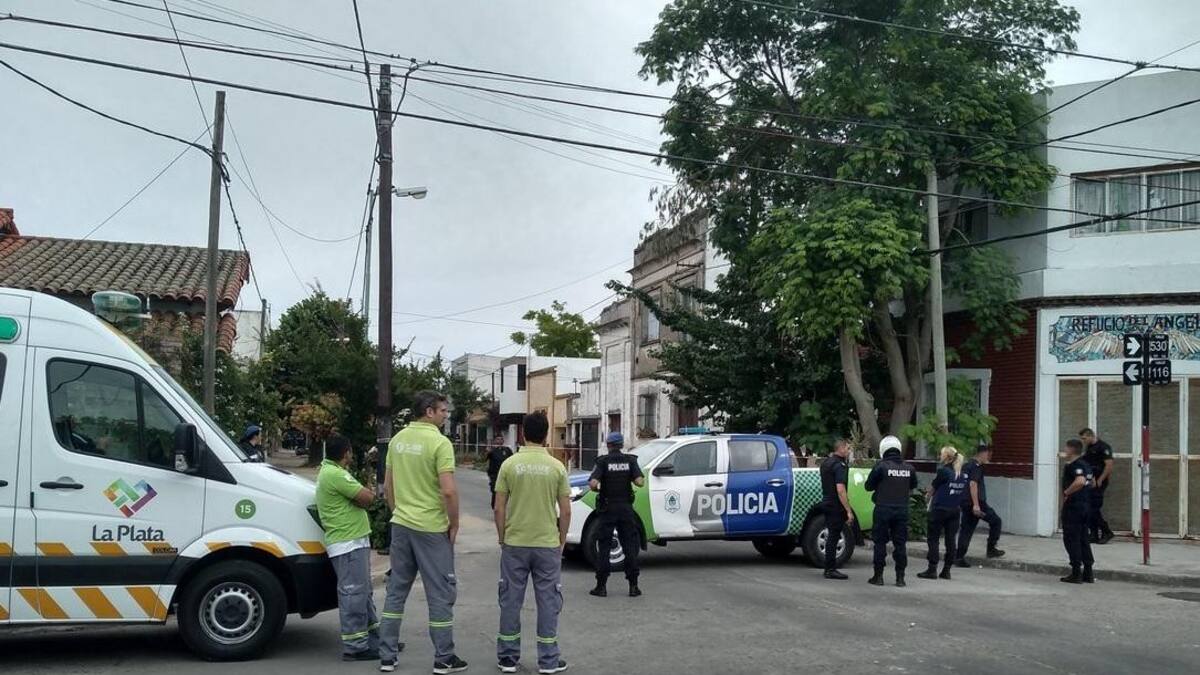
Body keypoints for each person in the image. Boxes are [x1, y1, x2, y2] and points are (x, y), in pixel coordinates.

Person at [379, 391, 467, 674]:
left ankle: (387, 657)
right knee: (440, 593)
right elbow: (449, 490)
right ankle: (444, 657)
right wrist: (454, 523)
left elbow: (388, 486)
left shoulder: (397, 440)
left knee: (396, 591)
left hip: (402, 526)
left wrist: (398, 512)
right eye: (443, 410)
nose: (445, 415)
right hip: (431, 528)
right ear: (429, 411)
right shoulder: (440, 443)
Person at [493, 411, 571, 675]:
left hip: (515, 543)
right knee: (548, 602)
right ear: (547, 434)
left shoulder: (509, 465)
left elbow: (499, 507)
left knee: (510, 600)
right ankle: (548, 661)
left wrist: (503, 537)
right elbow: (566, 510)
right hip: (547, 544)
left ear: (523, 433)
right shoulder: (557, 467)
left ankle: (507, 658)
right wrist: (561, 541)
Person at [316, 435, 379, 661]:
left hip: (352, 541)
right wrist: (364, 493)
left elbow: (360, 498)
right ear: (346, 453)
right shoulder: (336, 474)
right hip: (348, 542)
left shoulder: (331, 472)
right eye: (351, 452)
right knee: (353, 593)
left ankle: (373, 639)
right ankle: (356, 646)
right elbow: (367, 498)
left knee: (363, 593)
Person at [587, 431, 645, 598]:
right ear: (621, 445)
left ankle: (601, 586)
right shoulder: (630, 460)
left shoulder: (603, 461)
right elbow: (640, 482)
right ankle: (633, 586)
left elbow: (592, 484)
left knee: (604, 546)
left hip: (608, 509)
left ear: (609, 445)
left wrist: (598, 488)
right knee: (629, 546)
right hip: (626, 508)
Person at [864, 436, 918, 587]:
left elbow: (868, 486)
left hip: (883, 508)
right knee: (900, 544)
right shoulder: (909, 468)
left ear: (883, 450)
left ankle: (878, 576)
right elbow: (913, 484)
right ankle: (900, 578)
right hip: (902, 510)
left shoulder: (881, 467)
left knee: (880, 543)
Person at [918, 447, 968, 581]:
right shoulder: (962, 475)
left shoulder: (944, 472)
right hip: (955, 510)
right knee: (951, 541)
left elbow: (933, 489)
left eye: (941, 454)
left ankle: (932, 568)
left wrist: (927, 496)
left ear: (947, 457)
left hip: (940, 509)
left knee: (933, 539)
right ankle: (946, 570)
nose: (939, 455)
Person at [954, 445, 1005, 566]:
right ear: (983, 453)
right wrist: (976, 505)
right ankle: (991, 549)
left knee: (966, 529)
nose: (989, 458)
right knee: (996, 521)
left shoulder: (966, 465)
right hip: (977, 503)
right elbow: (973, 484)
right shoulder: (977, 467)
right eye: (988, 455)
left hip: (966, 502)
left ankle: (959, 556)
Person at [1060, 438, 1096, 584]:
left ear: (1071, 449)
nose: (1064, 450)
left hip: (1074, 507)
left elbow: (1080, 481)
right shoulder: (1086, 465)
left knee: (1071, 538)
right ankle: (1088, 572)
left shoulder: (1073, 465)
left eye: (1066, 448)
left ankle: (1076, 572)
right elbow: (1092, 482)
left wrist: (1067, 492)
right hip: (1085, 506)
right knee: (1083, 538)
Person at [819, 439, 855, 580]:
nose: (848, 450)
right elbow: (840, 489)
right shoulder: (839, 465)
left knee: (831, 536)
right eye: (847, 448)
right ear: (840, 449)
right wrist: (848, 510)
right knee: (834, 536)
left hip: (827, 501)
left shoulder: (826, 463)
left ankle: (829, 567)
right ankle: (830, 569)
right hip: (835, 505)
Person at [1079, 428, 1115, 545]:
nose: (1083, 441)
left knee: (1093, 508)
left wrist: (1100, 480)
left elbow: (1109, 466)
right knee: (1088, 508)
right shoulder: (1089, 448)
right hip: (1090, 481)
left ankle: (1106, 531)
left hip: (1099, 482)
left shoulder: (1103, 447)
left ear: (1090, 436)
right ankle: (1093, 534)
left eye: (1084, 438)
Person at [486, 436, 514, 509]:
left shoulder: (507, 450)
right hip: (494, 474)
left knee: (506, 491)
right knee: (495, 491)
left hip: (505, 474)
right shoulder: (492, 451)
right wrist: (488, 451)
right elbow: (484, 459)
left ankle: (503, 506)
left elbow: (512, 459)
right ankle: (495, 507)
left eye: (501, 439)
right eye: (498, 439)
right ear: (494, 440)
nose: (500, 440)